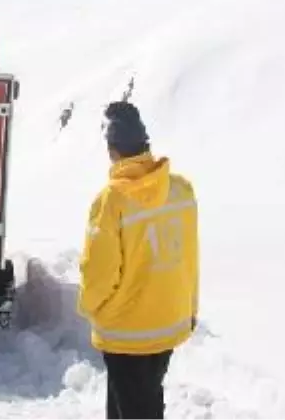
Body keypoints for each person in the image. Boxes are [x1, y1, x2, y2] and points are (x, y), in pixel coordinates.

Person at [77, 101, 199, 420]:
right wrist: (190, 309)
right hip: (169, 320)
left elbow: (98, 271)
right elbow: (189, 257)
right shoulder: (181, 190)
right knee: (142, 402)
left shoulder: (111, 202)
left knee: (131, 406)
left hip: (125, 330)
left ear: (112, 148)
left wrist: (91, 307)